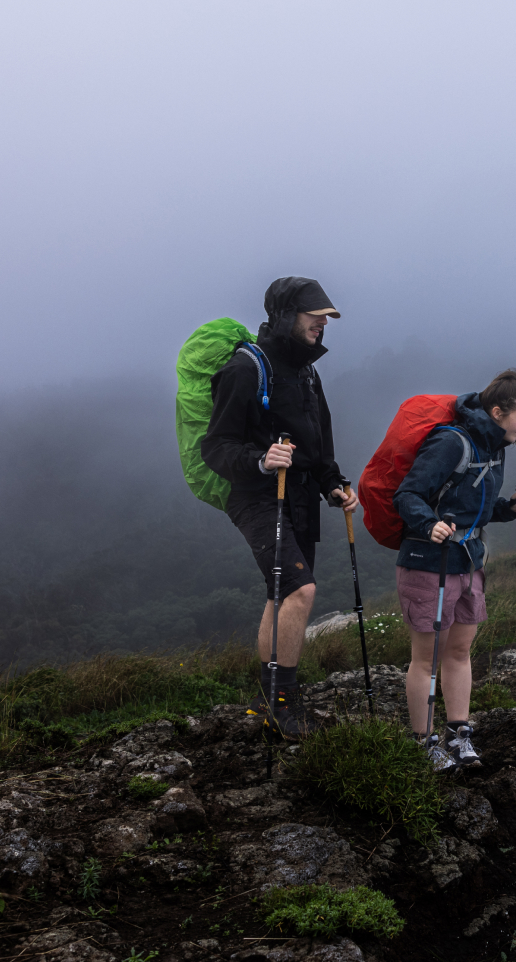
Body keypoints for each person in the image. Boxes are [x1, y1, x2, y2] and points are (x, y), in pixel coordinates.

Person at [202, 276, 356, 739]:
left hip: (303, 496)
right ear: (288, 316)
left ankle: (270, 695)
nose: (322, 326)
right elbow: (216, 447)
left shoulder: (308, 372)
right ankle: (282, 703)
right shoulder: (246, 369)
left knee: (282, 594)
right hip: (256, 496)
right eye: (315, 318)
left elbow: (319, 445)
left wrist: (335, 485)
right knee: (300, 590)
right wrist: (260, 460)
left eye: (325, 319)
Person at [394, 369, 516, 768]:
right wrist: (429, 524)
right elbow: (406, 494)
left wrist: (511, 508)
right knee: (426, 657)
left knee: (459, 651)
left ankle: (459, 736)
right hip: (428, 562)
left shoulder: (496, 449)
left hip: (469, 562)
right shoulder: (451, 443)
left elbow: (479, 508)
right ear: (496, 412)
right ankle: (423, 743)